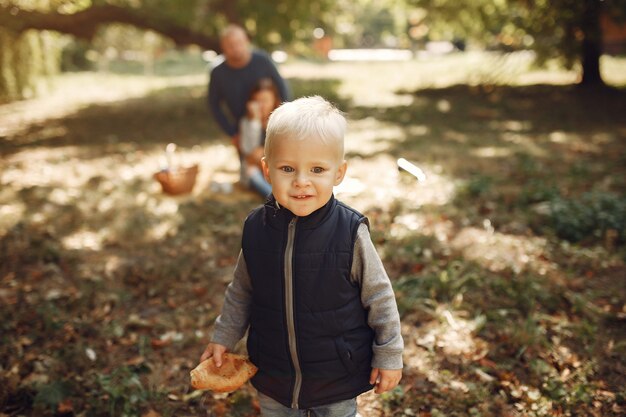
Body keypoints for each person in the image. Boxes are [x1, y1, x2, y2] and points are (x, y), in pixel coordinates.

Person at [200, 96, 404, 416]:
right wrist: (224, 336)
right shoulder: (256, 228)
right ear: (267, 170)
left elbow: (379, 295)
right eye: (287, 168)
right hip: (274, 373)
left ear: (339, 173)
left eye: (317, 169)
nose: (301, 182)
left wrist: (388, 354)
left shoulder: (349, 232)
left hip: (335, 374)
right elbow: (241, 290)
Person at [208, 24, 290, 146]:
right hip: (242, 129)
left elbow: (283, 90)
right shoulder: (218, 72)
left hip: (270, 125)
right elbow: (214, 105)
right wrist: (232, 132)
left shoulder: (263, 61)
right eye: (230, 45)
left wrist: (282, 120)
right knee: (249, 162)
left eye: (239, 43)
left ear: (246, 41)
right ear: (223, 47)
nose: (236, 48)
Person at [238, 78, 280, 198]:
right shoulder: (246, 122)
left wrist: (263, 153)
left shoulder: (280, 122)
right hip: (254, 170)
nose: (261, 105)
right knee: (252, 171)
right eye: (257, 101)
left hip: (275, 167)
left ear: (274, 100)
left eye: (265, 100)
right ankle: (277, 199)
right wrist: (255, 122)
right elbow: (248, 151)